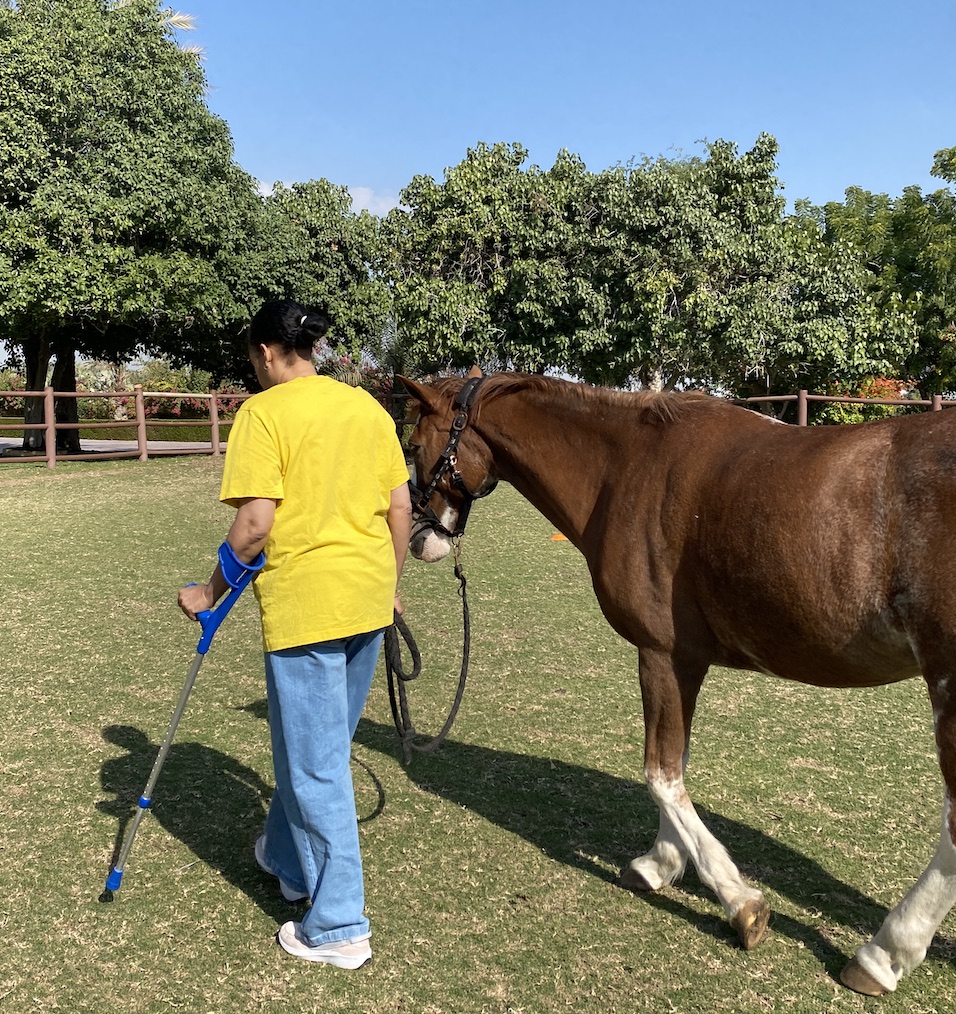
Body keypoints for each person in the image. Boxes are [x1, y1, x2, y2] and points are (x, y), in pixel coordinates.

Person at [178, 300, 412, 969]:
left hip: (309, 607)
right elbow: (399, 505)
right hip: (367, 599)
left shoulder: (262, 412)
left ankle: (338, 925)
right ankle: (286, 860)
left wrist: (207, 594)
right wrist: (388, 583)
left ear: (264, 352)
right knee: (322, 748)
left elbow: (255, 524)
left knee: (314, 765)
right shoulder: (366, 408)